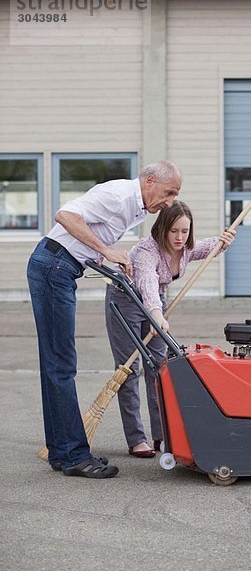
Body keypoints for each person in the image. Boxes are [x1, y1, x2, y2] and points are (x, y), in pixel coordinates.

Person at [27, 161, 182, 479]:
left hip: (59, 267)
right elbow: (65, 216)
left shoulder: (137, 208)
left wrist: (106, 258)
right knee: (62, 365)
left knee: (55, 365)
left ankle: (61, 451)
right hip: (54, 267)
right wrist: (107, 250)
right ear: (150, 181)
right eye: (168, 193)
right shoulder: (120, 195)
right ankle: (73, 455)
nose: (169, 203)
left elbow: (88, 234)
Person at [105, 201, 235, 458]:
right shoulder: (147, 251)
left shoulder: (185, 249)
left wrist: (224, 240)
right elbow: (147, 283)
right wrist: (155, 314)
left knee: (159, 369)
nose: (179, 237)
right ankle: (136, 439)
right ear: (163, 228)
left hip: (156, 303)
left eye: (185, 232)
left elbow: (206, 247)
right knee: (128, 370)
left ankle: (161, 435)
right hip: (126, 301)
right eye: (174, 231)